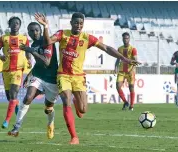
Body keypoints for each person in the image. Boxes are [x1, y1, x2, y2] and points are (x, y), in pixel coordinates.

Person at [34, 12, 140, 144]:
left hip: (78, 76)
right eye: (76, 23)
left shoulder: (87, 38)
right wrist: (45, 26)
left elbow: (106, 48)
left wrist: (124, 58)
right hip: (63, 75)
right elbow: (48, 41)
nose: (78, 25)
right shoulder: (63, 34)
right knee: (66, 100)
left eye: (81, 23)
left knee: (83, 109)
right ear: (71, 23)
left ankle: (75, 101)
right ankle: (74, 137)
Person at [7, 22, 58, 139]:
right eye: (31, 31)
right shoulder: (34, 44)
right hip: (38, 75)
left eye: (36, 30)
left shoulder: (48, 42)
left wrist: (30, 50)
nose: (34, 33)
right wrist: (29, 75)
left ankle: (50, 123)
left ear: (40, 30)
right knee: (28, 97)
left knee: (48, 107)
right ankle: (16, 127)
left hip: (51, 79)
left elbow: (46, 62)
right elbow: (39, 64)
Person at [0, 16, 32, 128]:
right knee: (10, 97)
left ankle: (6, 120)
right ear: (9, 25)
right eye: (13, 23)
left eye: (17, 23)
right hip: (6, 70)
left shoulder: (24, 39)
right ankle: (18, 113)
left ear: (20, 25)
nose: (15, 25)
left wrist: (29, 59)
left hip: (18, 70)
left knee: (13, 94)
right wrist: (0, 55)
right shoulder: (3, 38)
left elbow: (27, 51)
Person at [115, 32, 137, 111]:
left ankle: (131, 105)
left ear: (129, 39)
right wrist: (116, 67)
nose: (125, 40)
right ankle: (125, 102)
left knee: (131, 88)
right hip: (121, 71)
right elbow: (118, 59)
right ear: (122, 39)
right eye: (124, 38)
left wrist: (132, 69)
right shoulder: (120, 49)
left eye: (127, 38)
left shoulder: (133, 49)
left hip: (130, 71)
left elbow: (135, 61)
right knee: (118, 86)